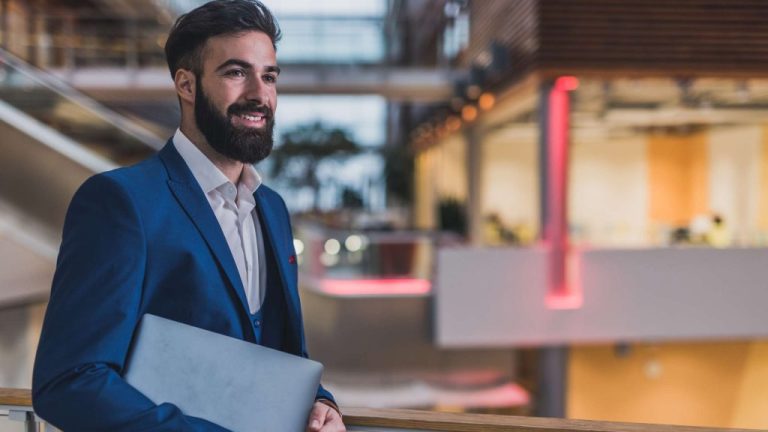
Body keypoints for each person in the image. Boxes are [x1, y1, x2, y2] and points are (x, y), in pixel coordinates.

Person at [31, 1, 345, 431]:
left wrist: (319, 400)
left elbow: (278, 350)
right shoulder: (120, 202)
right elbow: (68, 381)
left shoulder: (271, 208)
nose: (259, 92)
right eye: (236, 72)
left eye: (268, 75)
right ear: (186, 84)